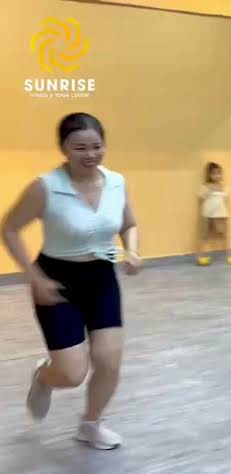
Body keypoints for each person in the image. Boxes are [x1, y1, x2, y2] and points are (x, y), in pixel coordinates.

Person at [0, 112, 141, 450]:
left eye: (97, 146)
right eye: (80, 148)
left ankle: (91, 425)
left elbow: (129, 224)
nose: (90, 154)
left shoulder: (116, 182)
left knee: (109, 362)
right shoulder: (46, 187)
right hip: (56, 283)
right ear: (63, 148)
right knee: (71, 374)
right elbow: (10, 229)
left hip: (102, 279)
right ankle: (44, 376)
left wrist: (133, 250)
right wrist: (34, 277)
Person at [196, 162, 231, 266]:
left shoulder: (223, 187)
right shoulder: (205, 186)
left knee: (224, 234)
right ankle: (201, 256)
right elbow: (200, 196)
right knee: (204, 235)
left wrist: (219, 188)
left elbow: (226, 195)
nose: (217, 176)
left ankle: (229, 256)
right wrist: (209, 189)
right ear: (209, 174)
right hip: (207, 214)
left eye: (219, 173)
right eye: (214, 173)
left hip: (221, 214)